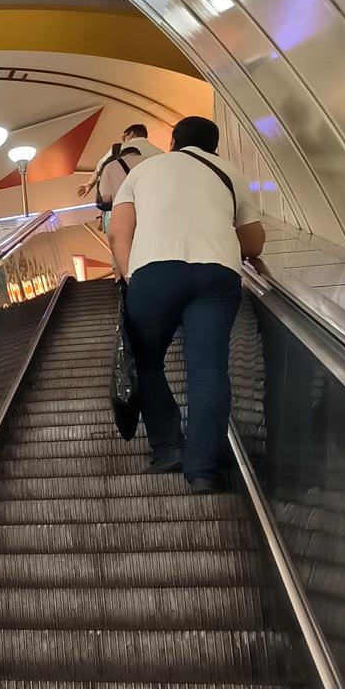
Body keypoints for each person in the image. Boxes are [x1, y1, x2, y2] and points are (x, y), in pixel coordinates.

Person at [108, 116, 265, 494]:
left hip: (154, 271)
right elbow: (254, 242)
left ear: (173, 141)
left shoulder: (143, 170)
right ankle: (205, 470)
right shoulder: (229, 172)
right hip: (216, 275)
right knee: (208, 370)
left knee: (146, 362)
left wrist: (131, 276)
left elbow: (118, 232)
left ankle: (168, 449)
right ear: (215, 146)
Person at [80, 124, 162, 231]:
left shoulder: (118, 149)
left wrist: (90, 184)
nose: (124, 140)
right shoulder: (160, 153)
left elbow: (100, 168)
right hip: (152, 207)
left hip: (120, 208)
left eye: (124, 137)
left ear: (131, 133)